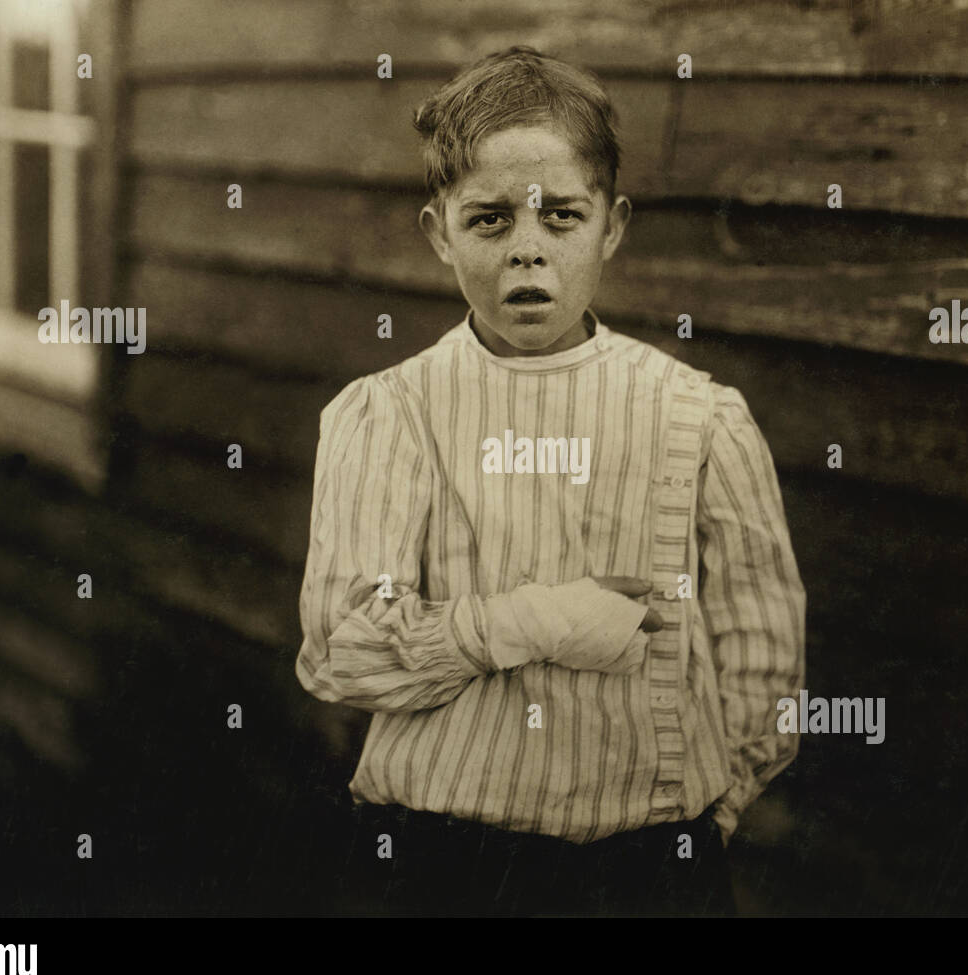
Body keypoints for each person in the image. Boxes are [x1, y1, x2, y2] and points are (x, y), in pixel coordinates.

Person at [296, 45, 806, 916]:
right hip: (437, 863)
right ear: (438, 232)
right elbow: (342, 651)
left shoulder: (700, 418)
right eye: (490, 220)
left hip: (649, 870)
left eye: (561, 216)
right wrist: (529, 622)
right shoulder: (389, 414)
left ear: (612, 226)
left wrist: (700, 823)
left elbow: (763, 656)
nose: (526, 251)